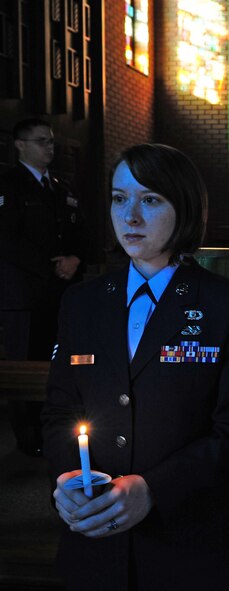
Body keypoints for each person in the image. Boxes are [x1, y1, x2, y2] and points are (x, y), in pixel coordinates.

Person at [41, 144, 229, 590]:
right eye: (118, 198)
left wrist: (153, 490)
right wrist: (69, 482)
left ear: (183, 207)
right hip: (96, 545)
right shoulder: (81, 303)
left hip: (193, 548)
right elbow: (58, 412)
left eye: (149, 200)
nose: (130, 216)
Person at [0, 118, 87, 456]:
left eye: (50, 142)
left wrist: (76, 258)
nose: (49, 148)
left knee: (61, 364)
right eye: (41, 141)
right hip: (24, 294)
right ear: (20, 145)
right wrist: (54, 266)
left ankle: (58, 433)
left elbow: (80, 230)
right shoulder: (9, 185)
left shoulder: (61, 187)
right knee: (25, 365)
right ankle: (28, 440)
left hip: (62, 292)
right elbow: (7, 239)